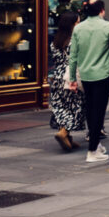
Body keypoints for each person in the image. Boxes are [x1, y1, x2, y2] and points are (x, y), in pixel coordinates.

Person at [67, 0, 109, 163]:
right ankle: (92, 150)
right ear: (102, 10)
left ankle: (96, 144)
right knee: (98, 112)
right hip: (102, 75)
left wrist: (72, 78)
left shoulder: (78, 28)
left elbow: (73, 57)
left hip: (86, 75)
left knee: (91, 109)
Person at [48, 11, 85, 152]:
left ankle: (68, 138)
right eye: (77, 22)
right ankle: (63, 132)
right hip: (70, 76)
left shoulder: (56, 41)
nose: (79, 24)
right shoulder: (74, 40)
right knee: (75, 105)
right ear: (72, 24)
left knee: (61, 106)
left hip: (57, 76)